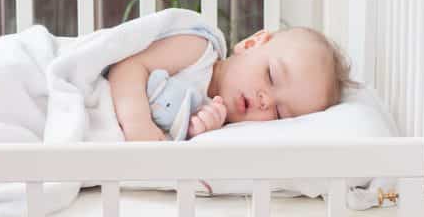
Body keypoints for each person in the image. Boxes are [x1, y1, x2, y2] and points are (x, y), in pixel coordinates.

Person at [108, 25, 352, 142]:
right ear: (250, 44)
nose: (266, 101)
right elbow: (127, 67)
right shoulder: (197, 50)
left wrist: (195, 133)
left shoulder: (223, 130)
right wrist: (137, 123)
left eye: (279, 113)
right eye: (271, 76)